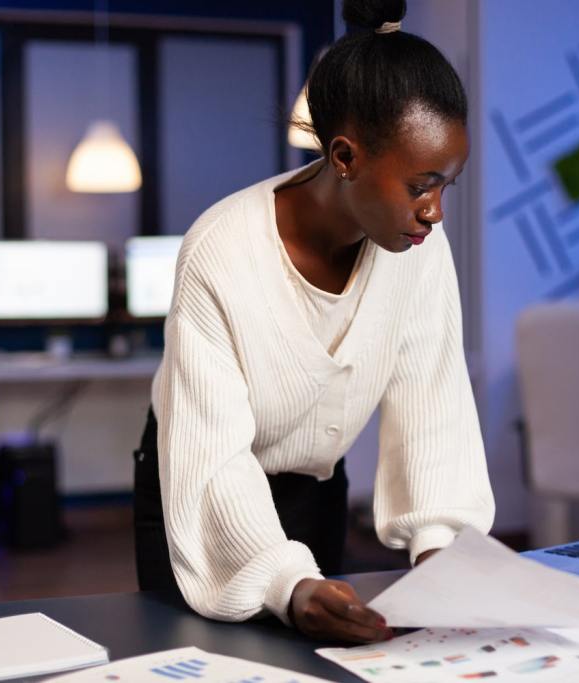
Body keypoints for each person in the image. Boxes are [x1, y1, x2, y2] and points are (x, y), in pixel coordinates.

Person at [134, 0, 494, 644]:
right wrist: (283, 581)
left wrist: (440, 551)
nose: (435, 212)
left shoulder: (418, 250)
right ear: (346, 157)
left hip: (315, 489)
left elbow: (432, 401)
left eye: (448, 185)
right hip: (197, 488)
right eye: (421, 185)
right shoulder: (221, 248)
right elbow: (213, 455)